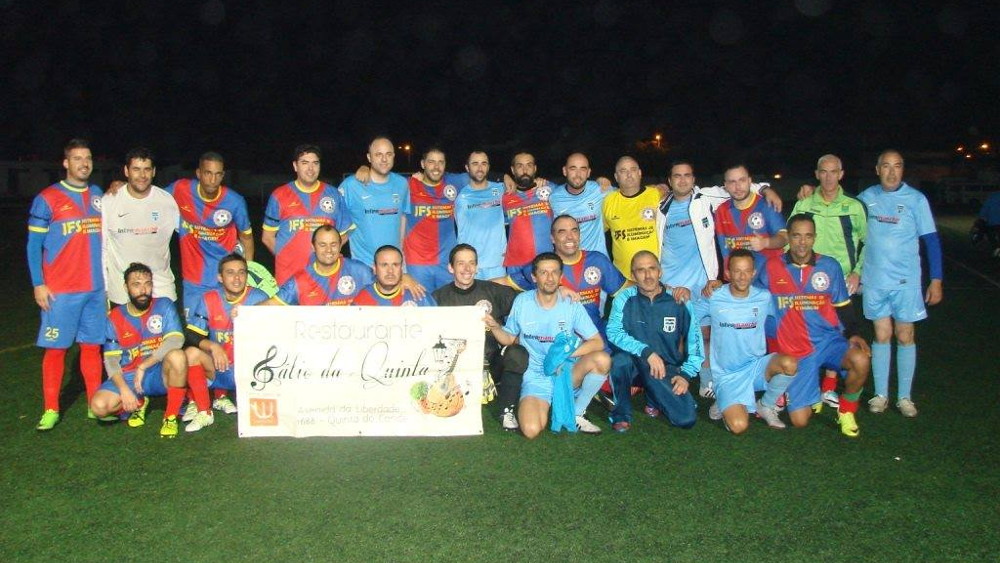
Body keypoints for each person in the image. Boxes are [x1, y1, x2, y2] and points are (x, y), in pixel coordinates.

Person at [660, 160, 781, 398]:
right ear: (669, 180)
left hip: (702, 283)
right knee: (674, 338)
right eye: (677, 176)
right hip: (672, 284)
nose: (682, 180)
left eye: (687, 175)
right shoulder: (659, 207)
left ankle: (707, 382)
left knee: (706, 335)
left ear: (694, 179)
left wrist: (766, 188)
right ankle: (667, 385)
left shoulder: (705, 198)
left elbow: (740, 187)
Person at [757, 214, 871, 437]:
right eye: (797, 236)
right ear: (788, 237)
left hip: (829, 341)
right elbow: (755, 301)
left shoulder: (829, 265)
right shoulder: (771, 266)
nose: (802, 242)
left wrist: (854, 333)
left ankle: (846, 411)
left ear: (815, 238)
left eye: (808, 236)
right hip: (796, 350)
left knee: (861, 359)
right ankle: (812, 393)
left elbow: (843, 304)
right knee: (800, 421)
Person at [486, 252, 611, 438]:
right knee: (530, 430)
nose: (550, 278)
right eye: (544, 273)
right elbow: (510, 339)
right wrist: (495, 327)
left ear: (561, 277)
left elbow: (597, 342)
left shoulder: (571, 303)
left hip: (565, 371)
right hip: (536, 375)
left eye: (554, 272)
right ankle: (552, 401)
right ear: (534, 277)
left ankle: (577, 411)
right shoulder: (522, 302)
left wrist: (566, 353)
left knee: (602, 359)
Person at [27, 139, 106, 430]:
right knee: (56, 349)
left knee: (91, 347)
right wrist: (38, 284)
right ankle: (51, 408)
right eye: (77, 159)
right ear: (65, 163)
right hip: (60, 290)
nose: (83, 163)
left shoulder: (98, 195)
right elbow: (33, 246)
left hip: (96, 288)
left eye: (87, 158)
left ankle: (93, 405)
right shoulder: (47, 198)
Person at [858, 150, 943, 417]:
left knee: (905, 335)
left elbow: (931, 240)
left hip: (906, 281)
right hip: (874, 280)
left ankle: (904, 397)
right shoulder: (866, 199)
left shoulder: (916, 200)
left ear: (903, 170)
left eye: (897, 166)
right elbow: (842, 218)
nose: (892, 172)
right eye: (886, 166)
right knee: (882, 335)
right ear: (877, 169)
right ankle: (880, 395)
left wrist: (936, 279)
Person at [89, 263, 204, 438]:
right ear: (125, 287)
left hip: (158, 372)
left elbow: (176, 339)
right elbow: (111, 360)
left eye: (147, 284)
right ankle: (139, 401)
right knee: (99, 407)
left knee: (178, 356)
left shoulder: (163, 305)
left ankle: (170, 416)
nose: (143, 290)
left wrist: (144, 365)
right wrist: (124, 390)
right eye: (136, 284)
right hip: (129, 376)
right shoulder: (115, 316)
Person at [791, 154, 867, 407]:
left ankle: (829, 387)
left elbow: (867, 242)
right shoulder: (804, 204)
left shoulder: (853, 207)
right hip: (807, 280)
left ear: (841, 174)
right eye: (823, 171)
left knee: (839, 329)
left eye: (834, 172)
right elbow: (789, 236)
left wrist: (857, 271)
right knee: (809, 330)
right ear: (816, 174)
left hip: (841, 278)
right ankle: (812, 384)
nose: (828, 177)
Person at [695, 249, 797, 434]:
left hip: (756, 367)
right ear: (727, 274)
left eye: (746, 271)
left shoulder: (764, 297)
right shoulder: (715, 297)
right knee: (739, 427)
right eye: (736, 271)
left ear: (753, 273)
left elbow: (788, 315)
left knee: (789, 363)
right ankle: (722, 400)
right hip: (727, 376)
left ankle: (765, 405)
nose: (742, 277)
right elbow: (688, 316)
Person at [432, 244, 528, 431]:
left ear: (477, 267)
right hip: (457, 369)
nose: (467, 269)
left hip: (492, 365)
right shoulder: (438, 298)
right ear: (451, 268)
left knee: (518, 353)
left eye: (471, 263)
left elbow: (528, 302)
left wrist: (560, 290)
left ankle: (506, 410)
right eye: (461, 264)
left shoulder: (494, 291)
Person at [606, 251, 703, 432]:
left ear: (660, 272)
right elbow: (613, 332)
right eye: (640, 270)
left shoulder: (678, 301)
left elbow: (695, 344)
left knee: (686, 419)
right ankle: (621, 414)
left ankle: (654, 396)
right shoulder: (625, 299)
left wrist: (686, 375)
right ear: (633, 275)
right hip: (635, 365)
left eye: (652, 269)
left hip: (664, 369)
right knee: (619, 361)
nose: (647, 275)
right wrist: (646, 352)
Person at [503, 214, 627, 335]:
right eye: (562, 232)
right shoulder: (540, 266)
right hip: (557, 341)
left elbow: (626, 289)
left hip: (594, 336)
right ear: (552, 238)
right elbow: (505, 282)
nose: (570, 237)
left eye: (574, 231)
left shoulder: (598, 261)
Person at [184, 253, 270, 424]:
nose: (237, 278)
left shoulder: (259, 298)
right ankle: (204, 411)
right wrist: (213, 347)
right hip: (220, 368)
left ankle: (220, 396)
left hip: (251, 372)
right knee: (191, 353)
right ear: (220, 278)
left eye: (242, 272)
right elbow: (192, 335)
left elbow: (274, 333)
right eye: (230, 273)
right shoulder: (209, 298)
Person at [167, 151, 254, 314]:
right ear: (199, 173)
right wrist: (123, 186)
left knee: (226, 331)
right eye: (208, 173)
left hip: (225, 279)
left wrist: (248, 274)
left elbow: (246, 237)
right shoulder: (181, 189)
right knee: (194, 333)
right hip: (194, 280)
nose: (212, 180)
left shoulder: (235, 201)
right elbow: (151, 196)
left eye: (217, 174)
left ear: (222, 176)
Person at [262, 144, 351, 286]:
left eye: (315, 163)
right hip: (289, 278)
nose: (311, 169)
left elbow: (344, 234)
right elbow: (267, 237)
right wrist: (286, 259)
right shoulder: (279, 195)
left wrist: (329, 255)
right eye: (305, 163)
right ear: (295, 166)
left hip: (324, 277)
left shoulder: (334, 195)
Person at [101, 147, 180, 305]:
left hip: (161, 289)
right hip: (122, 292)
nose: (142, 175)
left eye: (147, 169)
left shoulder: (167, 201)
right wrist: (103, 289)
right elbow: (102, 248)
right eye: (136, 169)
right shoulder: (109, 201)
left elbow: (190, 235)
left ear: (154, 172)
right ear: (126, 171)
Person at [339, 137, 410, 266]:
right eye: (378, 154)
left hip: (394, 264)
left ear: (393, 156)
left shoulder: (402, 183)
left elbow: (402, 217)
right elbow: (335, 217)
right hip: (363, 264)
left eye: (388, 154)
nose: (384, 159)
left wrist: (400, 253)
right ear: (369, 157)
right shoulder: (351, 185)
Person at [265, 225, 373, 306]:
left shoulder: (360, 271)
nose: (329, 250)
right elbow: (271, 305)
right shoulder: (300, 281)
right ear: (313, 247)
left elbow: (385, 294)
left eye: (333, 244)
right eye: (322, 245)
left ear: (340, 246)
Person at [713, 162, 787, 278]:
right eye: (732, 182)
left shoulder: (767, 205)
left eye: (742, 180)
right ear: (725, 185)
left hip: (768, 278)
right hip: (739, 282)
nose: (737, 187)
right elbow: (724, 246)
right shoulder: (721, 211)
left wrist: (766, 243)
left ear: (749, 181)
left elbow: (784, 237)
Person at [402, 147, 459, 290]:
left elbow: (479, 174)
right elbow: (382, 179)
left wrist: (505, 177)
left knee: (447, 307)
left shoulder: (453, 183)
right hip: (417, 264)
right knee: (422, 308)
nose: (436, 167)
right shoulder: (408, 185)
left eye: (441, 162)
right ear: (423, 164)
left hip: (446, 263)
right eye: (431, 162)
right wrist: (365, 168)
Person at [602, 156, 660, 277]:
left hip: (654, 278)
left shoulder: (657, 195)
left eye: (633, 170)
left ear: (639, 173)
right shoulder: (608, 201)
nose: (629, 174)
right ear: (616, 177)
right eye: (623, 171)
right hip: (623, 280)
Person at [454, 151, 508, 280]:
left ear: (488, 167)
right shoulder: (458, 195)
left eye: (484, 163)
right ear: (467, 168)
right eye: (475, 164)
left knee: (496, 300)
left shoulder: (501, 189)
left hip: (497, 262)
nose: (479, 168)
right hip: (469, 263)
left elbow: (524, 187)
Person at [549, 153, 609, 256]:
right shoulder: (553, 198)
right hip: (568, 260)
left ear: (589, 172)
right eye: (573, 169)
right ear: (564, 171)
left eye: (583, 169)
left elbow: (627, 194)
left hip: (598, 259)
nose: (578, 174)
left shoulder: (599, 190)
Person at [502, 152, 554, 271]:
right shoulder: (504, 195)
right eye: (520, 166)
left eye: (529, 165)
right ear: (513, 170)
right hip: (516, 266)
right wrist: (503, 176)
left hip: (546, 263)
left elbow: (573, 188)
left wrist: (600, 181)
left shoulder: (549, 189)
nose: (525, 170)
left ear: (535, 168)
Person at [352, 245, 436, 306]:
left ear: (401, 268)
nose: (390, 271)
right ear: (374, 268)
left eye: (395, 265)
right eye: (384, 265)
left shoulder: (419, 296)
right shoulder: (363, 298)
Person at [971, 190, 1000, 258]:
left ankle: (996, 247)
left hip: (993, 223)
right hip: (994, 223)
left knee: (988, 231)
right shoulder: (992, 197)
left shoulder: (992, 197)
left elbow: (983, 212)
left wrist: (981, 218)